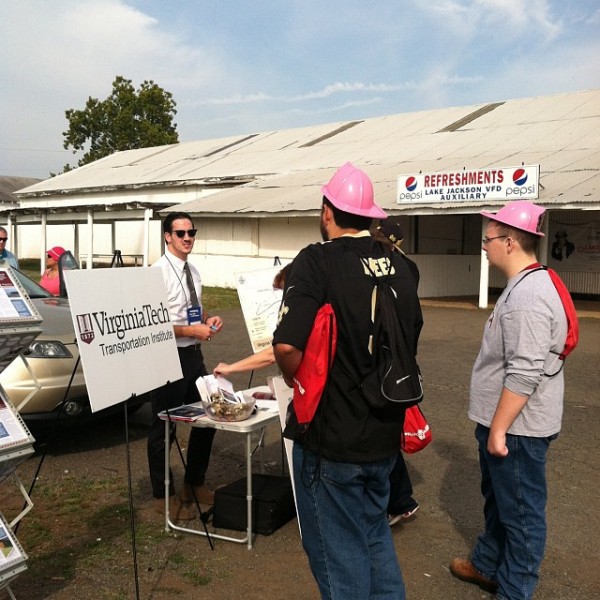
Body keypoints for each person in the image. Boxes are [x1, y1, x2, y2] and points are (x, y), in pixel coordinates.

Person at [273, 162, 423, 599]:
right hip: (384, 436)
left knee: (338, 565)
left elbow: (286, 347)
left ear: (327, 211)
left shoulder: (316, 262)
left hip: (331, 439)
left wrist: (294, 382)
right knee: (375, 538)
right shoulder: (403, 266)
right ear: (371, 215)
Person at [450, 201, 568, 599]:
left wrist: (498, 429)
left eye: (488, 239)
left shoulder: (529, 297)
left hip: (517, 428)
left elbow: (524, 372)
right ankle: (488, 565)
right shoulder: (527, 284)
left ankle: (515, 590)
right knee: (500, 503)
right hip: (507, 424)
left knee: (521, 514)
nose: (484, 246)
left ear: (511, 240)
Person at [147, 211, 223, 520]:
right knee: (163, 427)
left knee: (210, 414)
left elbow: (193, 310)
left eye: (192, 232)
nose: (188, 237)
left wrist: (207, 320)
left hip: (193, 355)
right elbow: (152, 324)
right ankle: (161, 495)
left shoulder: (194, 270)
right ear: (168, 237)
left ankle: (193, 483)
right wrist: (191, 330)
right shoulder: (158, 273)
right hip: (166, 356)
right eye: (181, 233)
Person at [373, 221, 420, 526]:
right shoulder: (409, 268)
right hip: (404, 360)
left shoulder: (390, 270)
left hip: (385, 361)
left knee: (382, 436)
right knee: (387, 433)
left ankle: (399, 500)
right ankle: (401, 500)